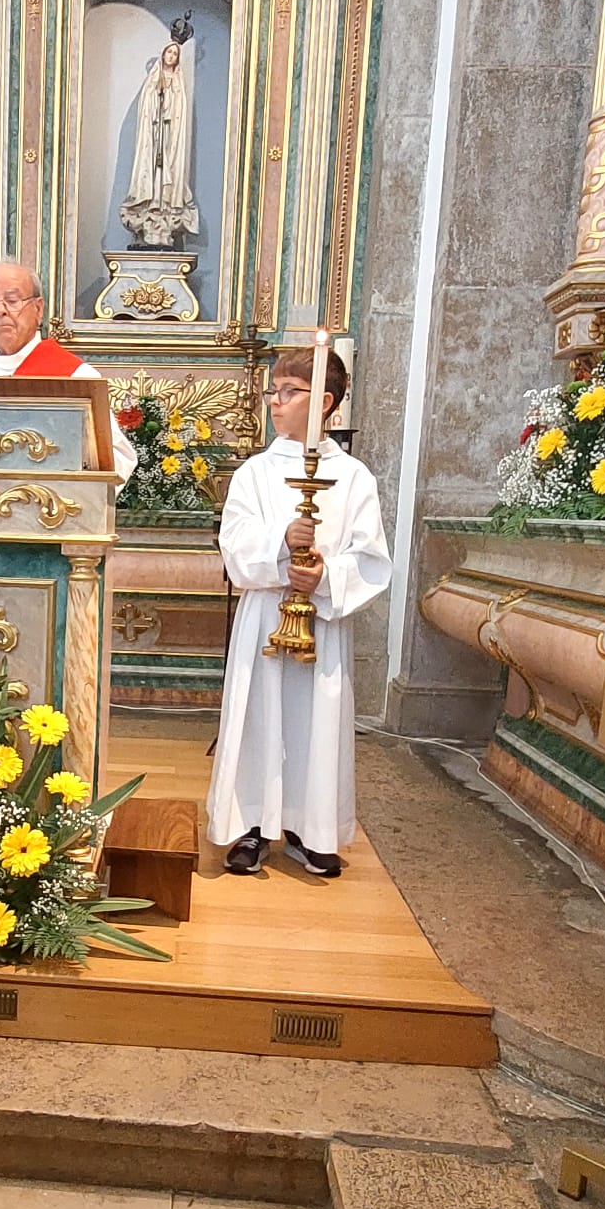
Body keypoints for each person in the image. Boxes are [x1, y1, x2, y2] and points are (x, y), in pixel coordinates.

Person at [205, 346, 390, 879]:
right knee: (257, 717)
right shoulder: (255, 472)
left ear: (325, 403)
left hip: (320, 623)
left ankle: (312, 829)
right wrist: (282, 546)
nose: (275, 401)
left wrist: (325, 576)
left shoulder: (353, 477)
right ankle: (249, 825)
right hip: (265, 615)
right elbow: (234, 543)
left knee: (315, 723)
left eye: (290, 391)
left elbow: (371, 558)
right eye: (273, 390)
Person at [0, 260, 137, 485]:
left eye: (12, 301)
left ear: (38, 309)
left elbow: (118, 459)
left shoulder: (76, 377)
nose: (1, 310)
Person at [120, 39, 199, 249]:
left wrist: (170, 110)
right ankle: (150, 204)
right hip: (154, 133)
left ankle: (165, 206)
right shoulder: (154, 80)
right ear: (163, 54)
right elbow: (146, 106)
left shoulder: (178, 82)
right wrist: (157, 101)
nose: (171, 56)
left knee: (168, 170)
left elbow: (180, 111)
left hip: (170, 134)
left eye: (175, 54)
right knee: (151, 169)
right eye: (169, 52)